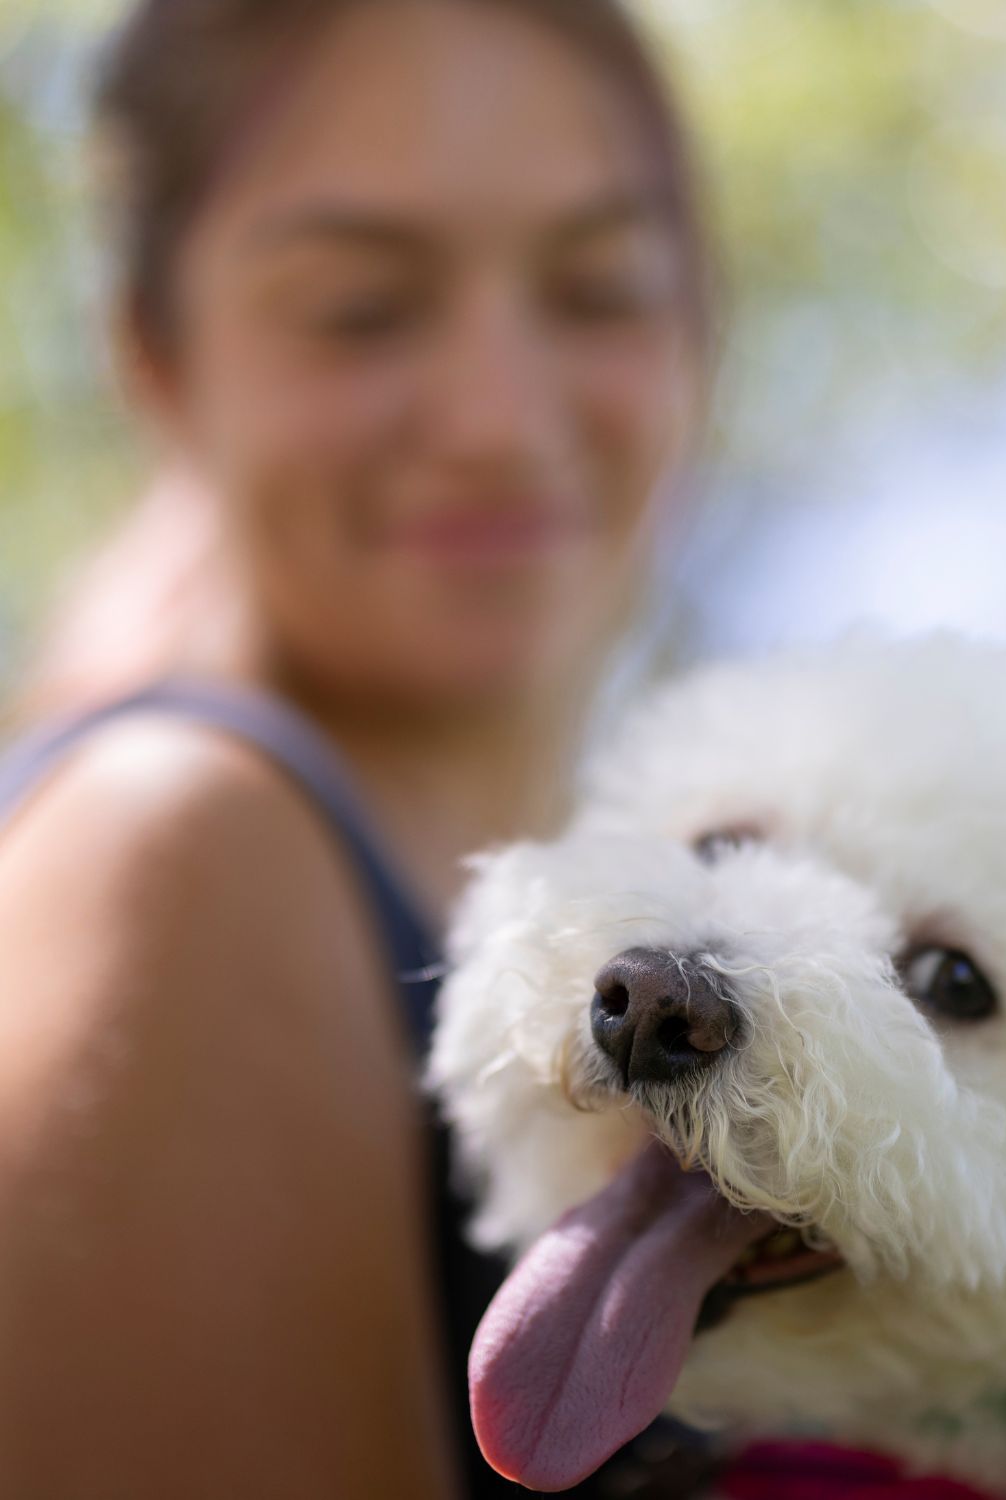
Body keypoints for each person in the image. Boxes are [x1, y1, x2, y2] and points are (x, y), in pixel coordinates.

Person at [0, 2, 713, 1495]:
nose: (498, 417)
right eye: (361, 311)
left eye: (597, 290)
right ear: (156, 362)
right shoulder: (173, 845)